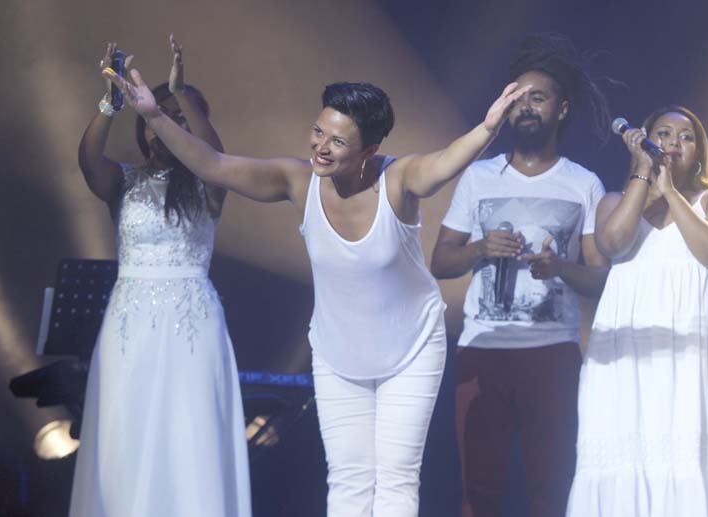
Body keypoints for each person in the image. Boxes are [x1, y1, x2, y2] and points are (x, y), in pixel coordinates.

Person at [106, 58, 530, 516]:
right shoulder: (297, 180)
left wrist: (487, 128)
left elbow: (445, 163)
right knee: (347, 481)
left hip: (411, 349)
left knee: (395, 480)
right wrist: (154, 115)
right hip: (336, 353)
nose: (321, 147)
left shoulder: (398, 178)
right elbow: (214, 165)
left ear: (369, 149)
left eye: (338, 141)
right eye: (318, 133)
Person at [68, 37, 251, 517]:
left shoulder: (210, 188)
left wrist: (182, 94)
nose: (165, 124)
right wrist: (109, 102)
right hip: (130, 324)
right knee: (126, 434)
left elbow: (218, 160)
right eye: (157, 116)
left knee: (189, 436)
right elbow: (89, 163)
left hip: (191, 324)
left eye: (178, 119)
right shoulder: (124, 182)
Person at [429, 33, 610, 517]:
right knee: (478, 490)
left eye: (537, 97)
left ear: (562, 109)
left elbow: (601, 280)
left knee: (548, 491)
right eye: (516, 97)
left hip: (552, 354)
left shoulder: (583, 184)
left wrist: (560, 268)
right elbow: (439, 261)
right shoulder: (479, 177)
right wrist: (480, 248)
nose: (525, 106)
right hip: (482, 350)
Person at [566, 106, 708, 516]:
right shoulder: (616, 200)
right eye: (663, 134)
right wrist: (641, 174)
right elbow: (612, 245)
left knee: (686, 455)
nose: (672, 143)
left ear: (698, 153)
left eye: (686, 137)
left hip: (690, 353)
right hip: (628, 353)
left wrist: (670, 193)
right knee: (625, 455)